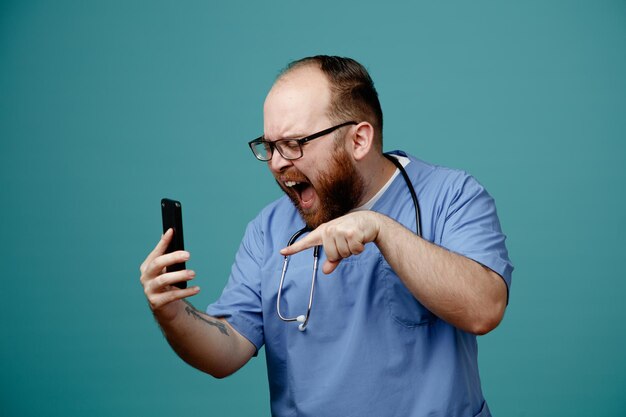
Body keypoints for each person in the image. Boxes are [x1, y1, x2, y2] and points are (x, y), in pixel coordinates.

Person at [140, 55, 513, 417]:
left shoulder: (451, 195)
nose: (277, 162)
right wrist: (172, 312)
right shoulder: (268, 229)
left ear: (359, 140)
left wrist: (380, 228)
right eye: (269, 146)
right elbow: (227, 351)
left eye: (294, 143)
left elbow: (484, 309)